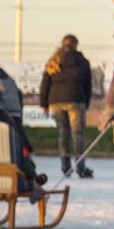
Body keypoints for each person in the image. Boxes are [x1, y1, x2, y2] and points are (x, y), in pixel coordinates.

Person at [0, 59, 47, 194]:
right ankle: (31, 178)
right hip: (14, 113)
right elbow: (18, 96)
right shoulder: (10, 80)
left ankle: (30, 174)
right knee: (17, 148)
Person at [38, 35, 96, 178]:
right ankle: (81, 167)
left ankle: (65, 167)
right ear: (76, 44)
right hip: (76, 100)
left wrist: (44, 104)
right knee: (78, 134)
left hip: (55, 101)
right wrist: (86, 103)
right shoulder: (82, 61)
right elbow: (88, 85)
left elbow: (45, 83)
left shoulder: (53, 61)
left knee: (63, 133)